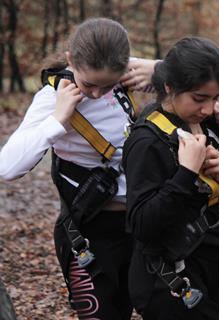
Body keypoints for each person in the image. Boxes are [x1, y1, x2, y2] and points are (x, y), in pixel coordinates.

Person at [0, 17, 138, 319]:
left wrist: (155, 69)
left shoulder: (124, 75)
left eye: (108, 85)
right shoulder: (52, 99)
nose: (98, 94)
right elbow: (8, 167)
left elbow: (187, 75)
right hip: (87, 234)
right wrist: (57, 120)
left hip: (136, 230)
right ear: (70, 59)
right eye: (89, 84)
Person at [122, 36, 219, 320]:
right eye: (199, 99)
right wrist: (185, 173)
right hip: (168, 283)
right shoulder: (147, 142)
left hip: (208, 268)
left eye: (215, 98)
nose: (209, 108)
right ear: (169, 87)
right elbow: (141, 225)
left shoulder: (206, 123)